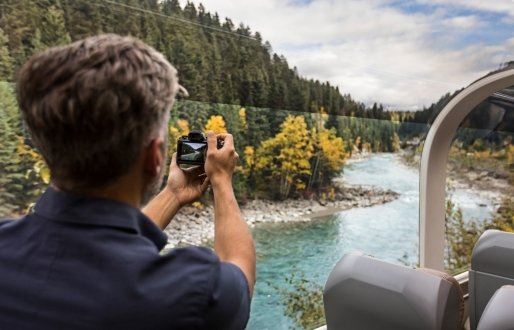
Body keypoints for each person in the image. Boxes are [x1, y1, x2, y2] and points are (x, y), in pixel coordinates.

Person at [0, 34, 255, 330]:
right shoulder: (187, 293)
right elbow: (239, 270)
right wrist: (221, 179)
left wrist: (173, 194)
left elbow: (96, 250)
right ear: (155, 157)